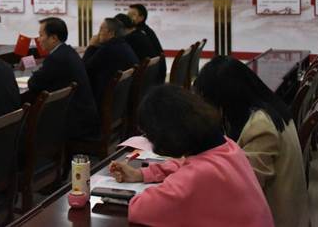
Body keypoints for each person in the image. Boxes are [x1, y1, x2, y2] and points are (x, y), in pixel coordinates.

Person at [109, 85, 273, 227]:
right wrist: (141, 174)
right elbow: (183, 164)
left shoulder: (196, 177)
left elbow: (141, 209)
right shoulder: (226, 146)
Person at [193, 56, 309, 227]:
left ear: (225, 99)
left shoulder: (260, 126)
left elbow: (244, 188)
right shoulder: (269, 108)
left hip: (275, 218)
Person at [27, 17, 99, 139]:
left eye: (41, 35)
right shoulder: (68, 51)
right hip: (83, 115)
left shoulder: (56, 58)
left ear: (53, 38)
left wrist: (36, 74)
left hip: (74, 121)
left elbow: (33, 84)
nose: (38, 39)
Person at [83, 18, 139, 106]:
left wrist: (91, 46)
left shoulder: (108, 49)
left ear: (111, 33)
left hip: (105, 101)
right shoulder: (123, 45)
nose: (98, 34)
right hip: (121, 100)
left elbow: (84, 70)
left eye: (101, 29)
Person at [128, 3, 167, 75]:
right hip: (155, 73)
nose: (128, 17)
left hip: (150, 75)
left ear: (141, 18)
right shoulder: (146, 30)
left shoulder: (138, 34)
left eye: (132, 15)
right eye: (128, 14)